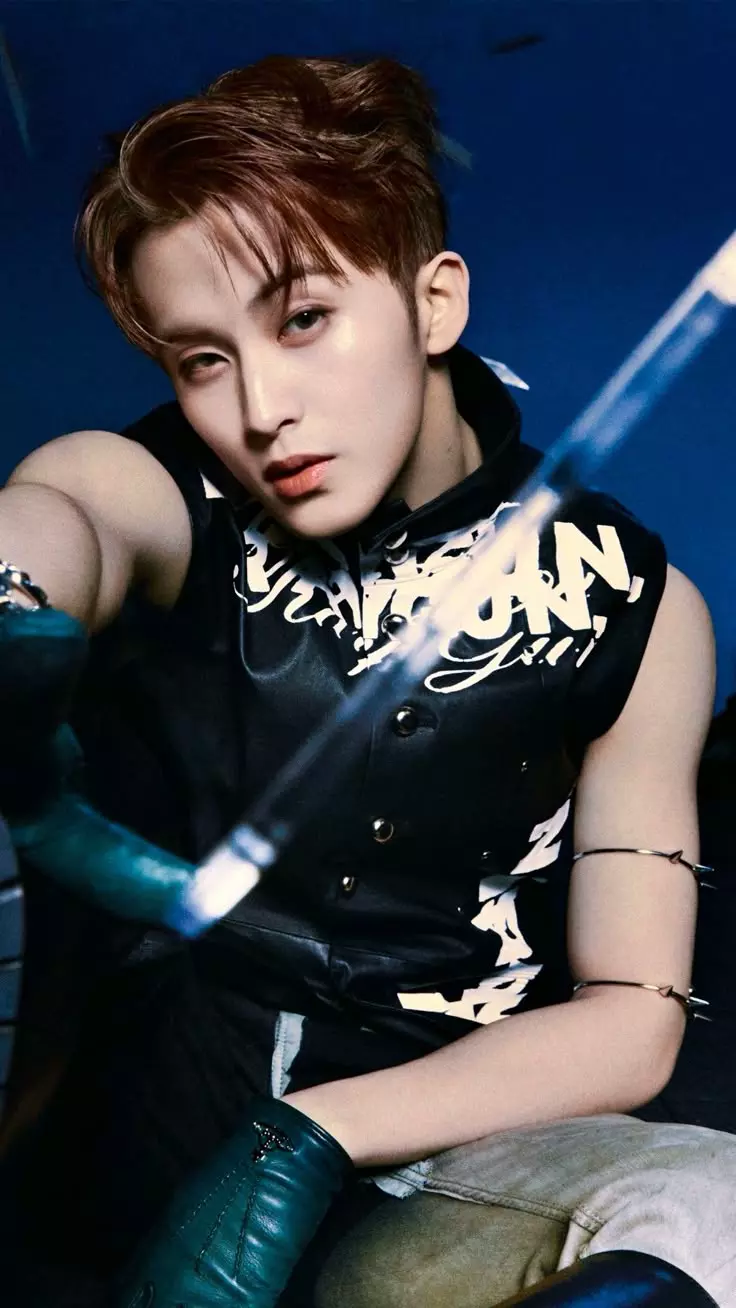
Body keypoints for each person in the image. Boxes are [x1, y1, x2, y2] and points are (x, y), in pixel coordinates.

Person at [0, 52, 733, 1308]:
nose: (261, 407)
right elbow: (65, 503)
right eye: (202, 359)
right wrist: (14, 607)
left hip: (439, 1158)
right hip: (151, 1144)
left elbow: (632, 1015)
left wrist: (312, 1136)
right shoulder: (171, 495)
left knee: (717, 1215)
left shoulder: (635, 607)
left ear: (432, 301)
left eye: (301, 320)